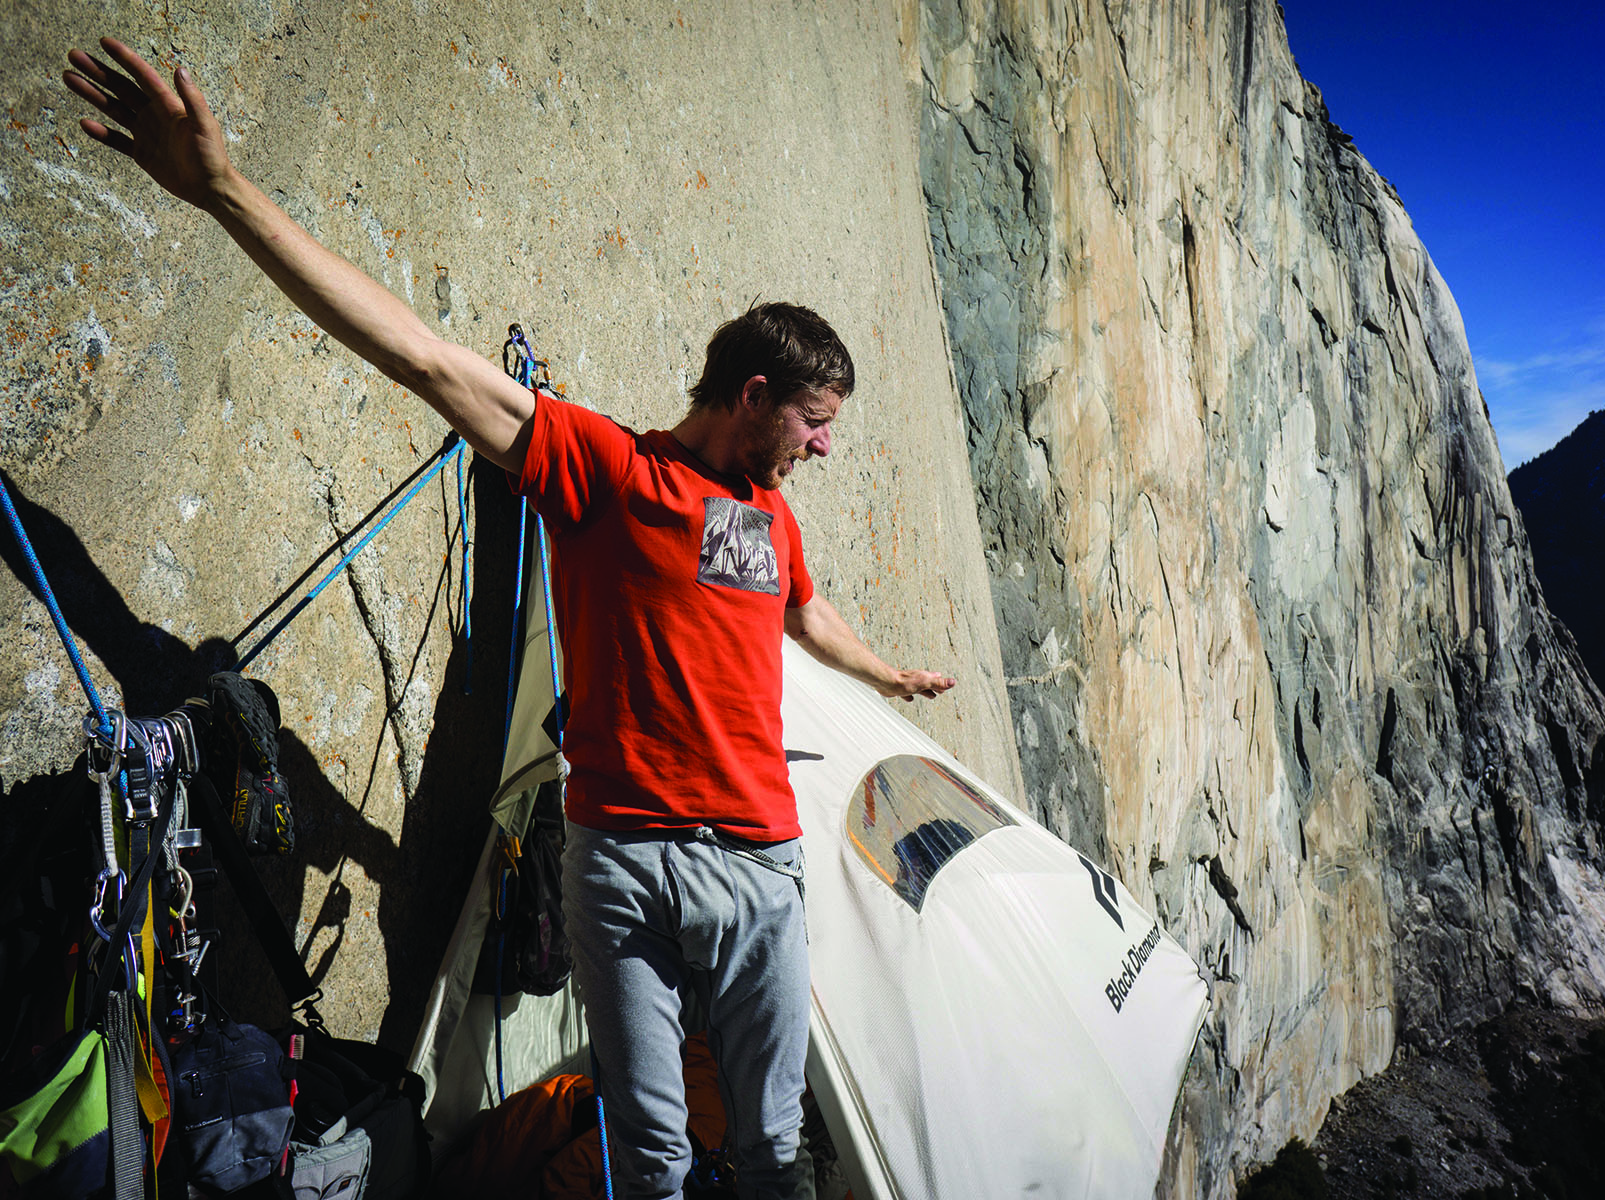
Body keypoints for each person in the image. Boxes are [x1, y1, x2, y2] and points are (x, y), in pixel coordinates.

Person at [63, 38, 956, 1199]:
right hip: (628, 862)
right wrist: (225, 190)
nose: (824, 447)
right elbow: (426, 359)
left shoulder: (771, 521)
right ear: (754, 397)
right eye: (814, 422)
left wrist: (887, 677)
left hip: (759, 867)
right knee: (653, 1158)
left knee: (776, 1153)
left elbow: (808, 612)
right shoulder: (611, 473)